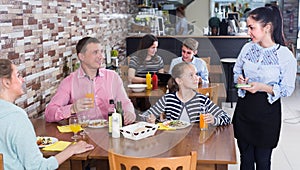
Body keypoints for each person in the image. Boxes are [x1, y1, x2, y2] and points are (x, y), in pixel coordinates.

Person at [232, 6, 297, 170]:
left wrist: (263, 87)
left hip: (267, 114)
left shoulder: (284, 55)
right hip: (244, 110)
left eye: (252, 27)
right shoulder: (247, 48)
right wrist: (239, 80)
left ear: (267, 27)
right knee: (245, 160)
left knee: (263, 161)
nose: (248, 32)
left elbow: (288, 89)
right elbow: (236, 70)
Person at [0, 59, 94, 169]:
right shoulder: (16, 118)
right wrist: (72, 149)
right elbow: (38, 167)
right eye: (18, 75)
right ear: (6, 82)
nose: (23, 80)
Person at [45, 37, 136, 125]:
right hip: (82, 135)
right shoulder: (69, 82)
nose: (101, 56)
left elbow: (125, 102)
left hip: (110, 131)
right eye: (95, 52)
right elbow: (49, 113)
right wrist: (72, 108)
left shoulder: (113, 77)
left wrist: (130, 113)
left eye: (101, 52)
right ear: (82, 56)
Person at [142, 62, 231, 125]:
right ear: (179, 81)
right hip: (172, 142)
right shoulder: (168, 99)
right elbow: (146, 115)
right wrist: (149, 118)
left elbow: (227, 118)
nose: (196, 78)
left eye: (196, 74)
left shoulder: (202, 100)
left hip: (196, 142)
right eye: (191, 75)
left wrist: (214, 120)